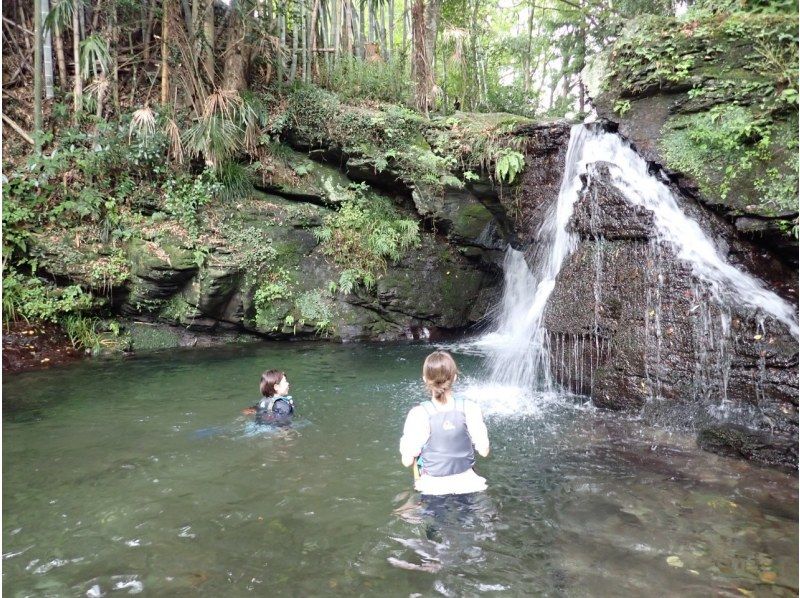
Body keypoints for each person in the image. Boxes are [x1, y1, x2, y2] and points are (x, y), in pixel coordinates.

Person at [399, 351, 490, 495]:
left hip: (432, 488)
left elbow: (407, 461)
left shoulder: (418, 414)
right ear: (454, 378)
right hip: (469, 485)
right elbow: (484, 451)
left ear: (425, 379)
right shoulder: (470, 408)